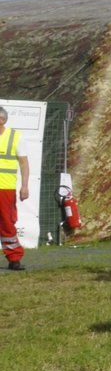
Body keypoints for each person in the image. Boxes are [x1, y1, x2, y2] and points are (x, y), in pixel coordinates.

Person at [0, 106, 30, 271]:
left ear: (2, 120)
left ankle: (14, 258)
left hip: (5, 188)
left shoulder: (15, 137)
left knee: (7, 223)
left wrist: (24, 186)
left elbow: (24, 163)